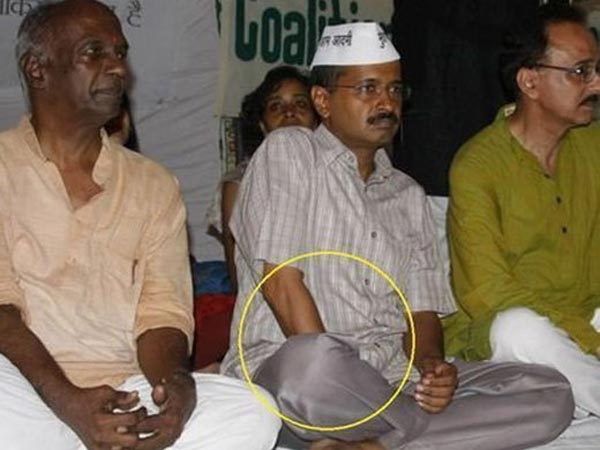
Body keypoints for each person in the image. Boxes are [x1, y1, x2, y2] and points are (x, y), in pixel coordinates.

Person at [222, 21, 574, 450]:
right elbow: (280, 282)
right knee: (312, 363)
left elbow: (421, 313)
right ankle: (390, 432)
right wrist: (343, 371)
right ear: (323, 101)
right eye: (367, 89)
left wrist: (431, 367)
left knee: (551, 393)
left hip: (390, 379)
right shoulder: (291, 151)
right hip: (298, 375)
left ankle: (368, 441)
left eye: (394, 90)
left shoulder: (409, 195)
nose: (386, 102)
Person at [0, 1, 280, 449]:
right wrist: (70, 404)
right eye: (94, 52)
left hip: (122, 393)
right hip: (22, 391)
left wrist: (175, 389)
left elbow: (162, 314)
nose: (117, 67)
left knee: (255, 409)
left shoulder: (154, 184)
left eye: (120, 52)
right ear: (38, 69)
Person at [444, 3, 600, 420]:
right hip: (517, 330)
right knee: (519, 328)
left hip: (588, 317)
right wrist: (588, 340)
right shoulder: (477, 165)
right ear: (530, 81)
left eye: (596, 69)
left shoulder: (594, 147)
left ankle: (579, 390)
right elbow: (488, 292)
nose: (597, 83)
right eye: (581, 71)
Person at [206, 65, 317, 293]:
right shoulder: (239, 184)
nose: (289, 112)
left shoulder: (337, 173)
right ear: (262, 124)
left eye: (300, 103)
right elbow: (238, 275)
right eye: (276, 106)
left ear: (317, 119)